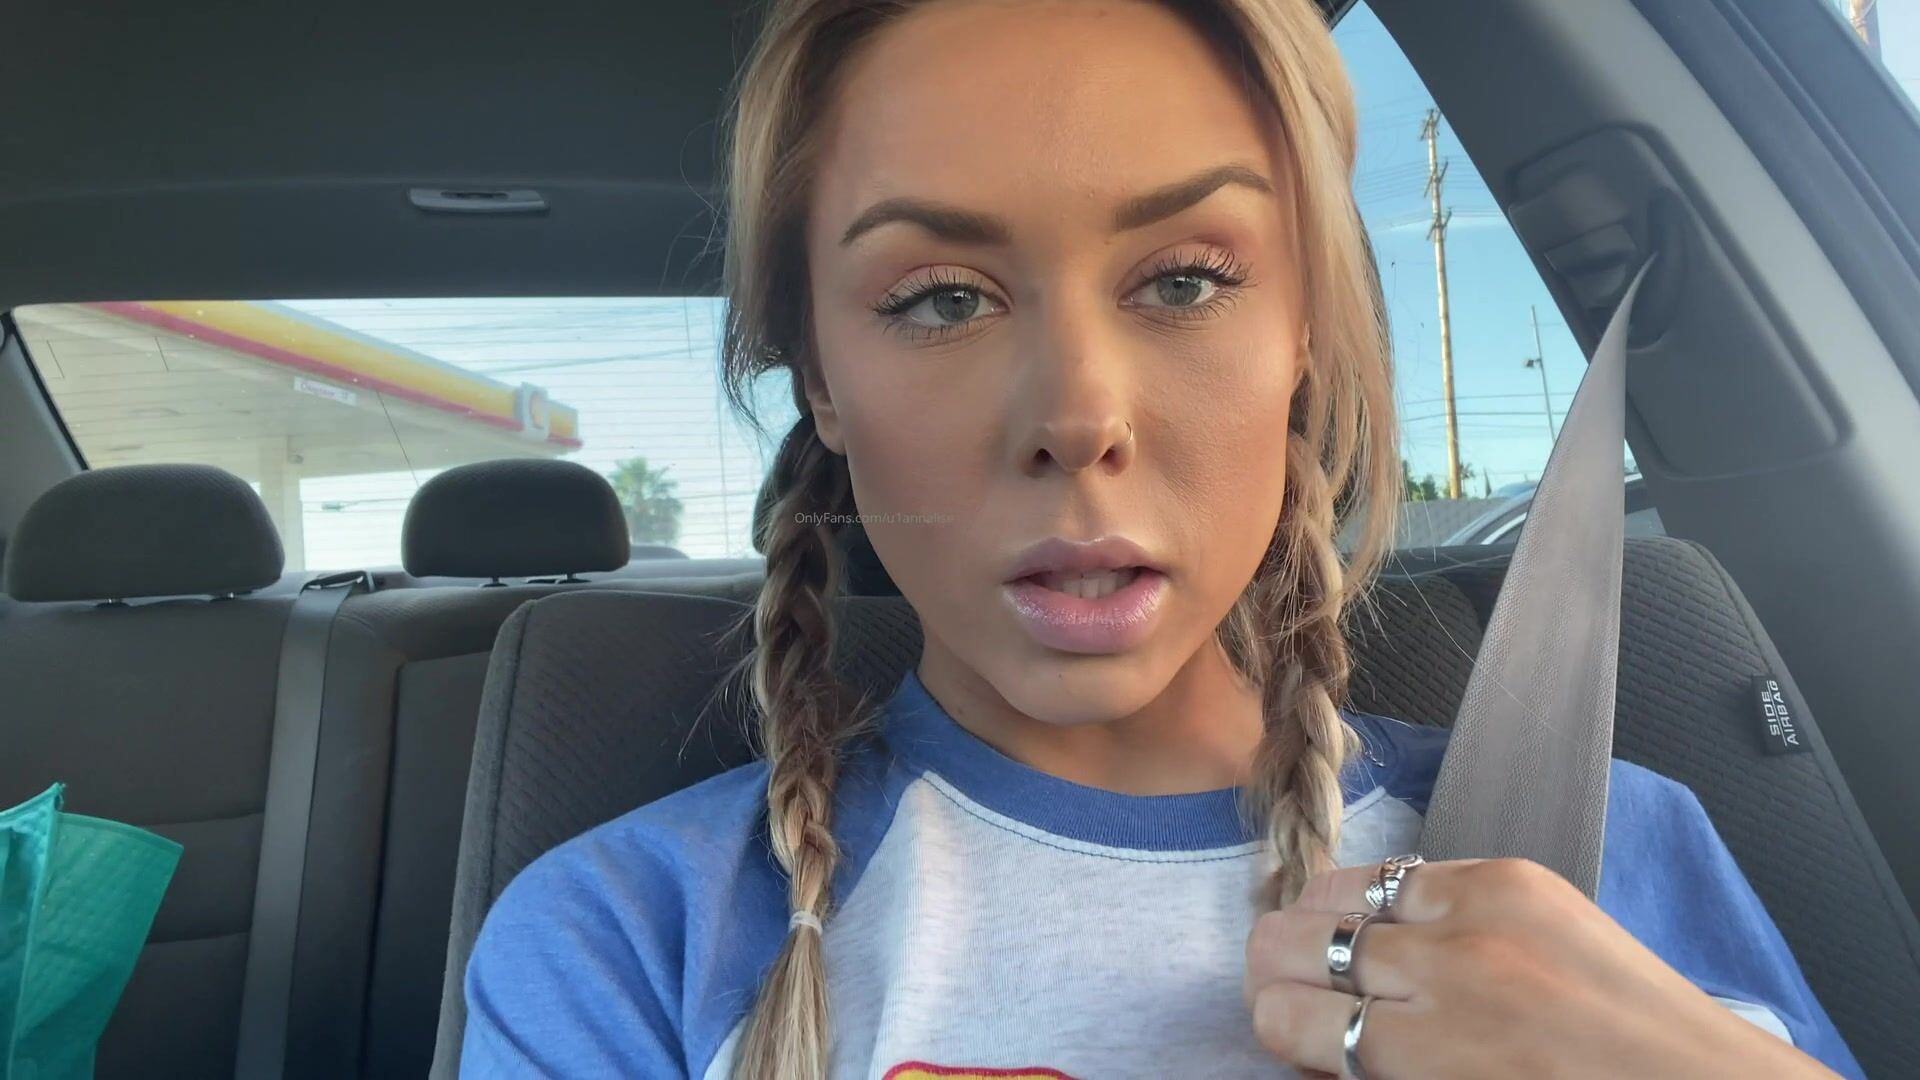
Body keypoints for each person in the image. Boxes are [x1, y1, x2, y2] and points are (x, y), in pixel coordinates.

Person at [459, 0, 1863, 1076]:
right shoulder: (629, 943)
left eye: (1186, 280)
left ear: (1302, 334)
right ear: (821, 378)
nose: (1079, 417)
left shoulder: (1599, 855)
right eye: (941, 299)